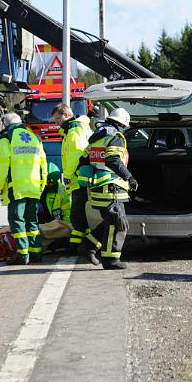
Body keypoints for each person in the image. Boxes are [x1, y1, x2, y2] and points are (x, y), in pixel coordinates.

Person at [79, 108, 137, 270]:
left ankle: (88, 246)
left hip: (98, 187)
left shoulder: (98, 136)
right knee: (119, 223)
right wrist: (129, 177)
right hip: (111, 187)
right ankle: (111, 260)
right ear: (122, 124)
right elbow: (112, 159)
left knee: (110, 221)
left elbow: (83, 159)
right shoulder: (115, 137)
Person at [0, 113, 48, 265]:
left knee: (17, 221)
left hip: (16, 188)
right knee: (32, 221)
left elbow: (3, 163)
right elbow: (43, 164)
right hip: (34, 187)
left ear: (6, 124)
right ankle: (36, 252)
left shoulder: (7, 137)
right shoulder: (34, 137)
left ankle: (22, 255)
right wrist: (41, 185)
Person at [51, 104, 92, 251]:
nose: (57, 123)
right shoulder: (78, 129)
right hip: (82, 178)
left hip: (77, 180)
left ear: (66, 115)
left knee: (78, 216)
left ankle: (78, 247)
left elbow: (75, 156)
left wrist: (67, 176)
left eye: (58, 119)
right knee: (81, 215)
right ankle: (79, 246)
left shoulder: (73, 131)